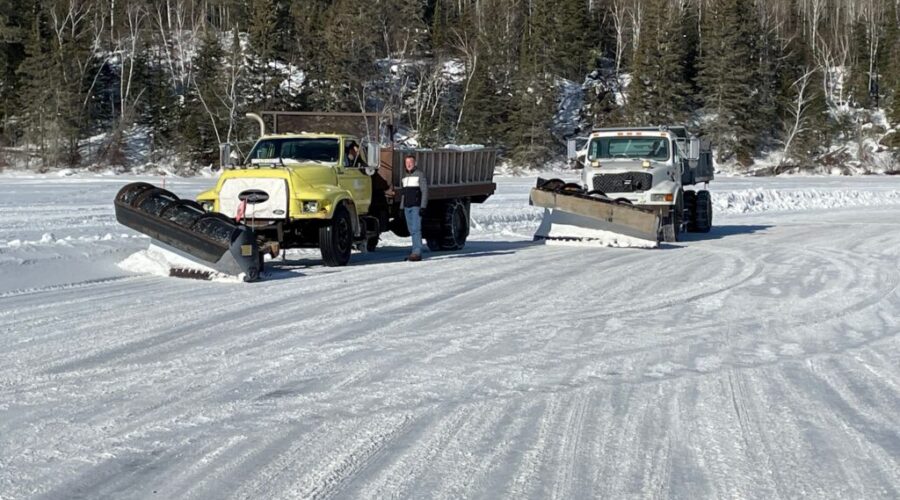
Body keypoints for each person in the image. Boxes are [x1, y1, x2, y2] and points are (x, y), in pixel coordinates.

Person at [400, 154, 427, 261]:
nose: (409, 165)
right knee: (411, 229)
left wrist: (423, 206)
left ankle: (417, 252)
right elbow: (403, 194)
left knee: (416, 229)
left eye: (410, 162)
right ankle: (414, 250)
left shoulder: (419, 175)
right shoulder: (405, 177)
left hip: (416, 206)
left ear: (415, 163)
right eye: (407, 163)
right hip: (407, 207)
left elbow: (424, 191)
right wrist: (401, 208)